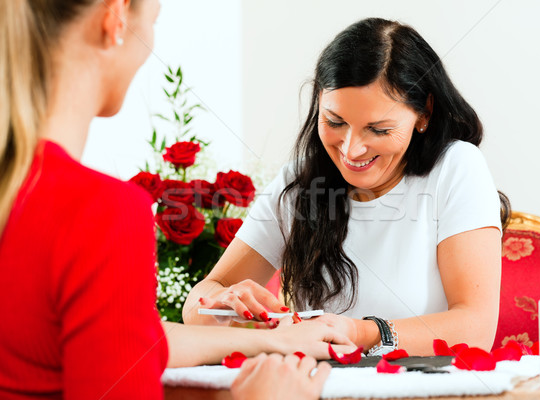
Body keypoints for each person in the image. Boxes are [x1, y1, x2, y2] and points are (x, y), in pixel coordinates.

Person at [0, 1, 353, 399]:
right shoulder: (99, 211)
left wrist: (274, 341)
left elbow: (129, 338)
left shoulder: (23, 192)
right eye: (152, 22)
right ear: (115, 19)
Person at [184, 17, 511, 357]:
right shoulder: (299, 183)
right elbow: (197, 306)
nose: (351, 150)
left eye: (379, 129)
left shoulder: (456, 167)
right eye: (335, 122)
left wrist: (359, 332)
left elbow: (475, 329)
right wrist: (219, 302)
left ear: (424, 113)